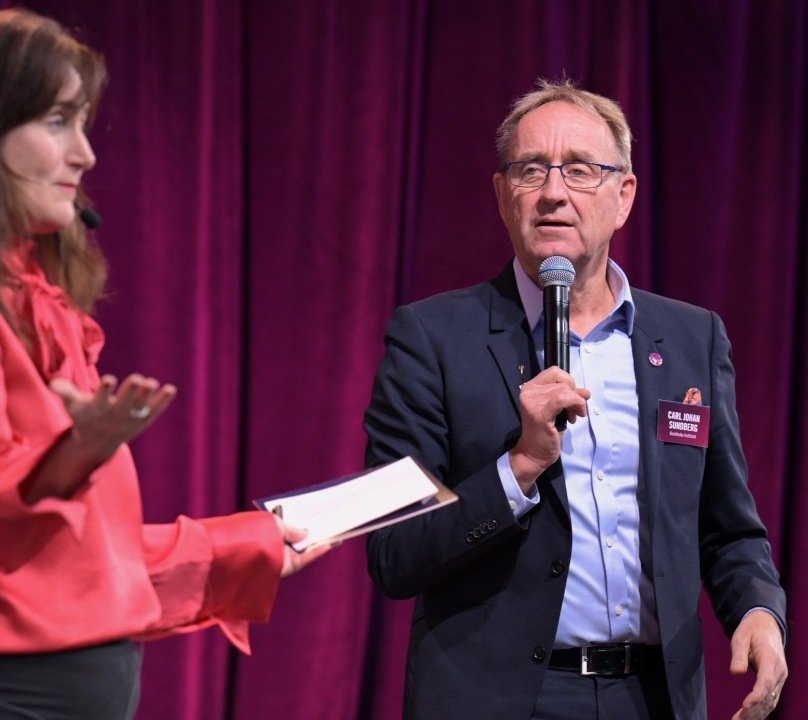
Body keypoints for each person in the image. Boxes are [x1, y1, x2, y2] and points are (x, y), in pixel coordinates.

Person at [364, 78, 787, 720]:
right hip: (496, 703)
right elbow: (393, 554)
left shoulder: (691, 338)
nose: (554, 193)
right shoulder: (432, 339)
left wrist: (757, 609)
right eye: (531, 170)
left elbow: (727, 529)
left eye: (581, 171)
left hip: (652, 698)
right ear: (503, 195)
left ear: (624, 197)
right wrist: (521, 465)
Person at [0, 8, 328, 718]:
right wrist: (67, 458)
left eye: (83, 123)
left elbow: (85, 564)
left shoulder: (43, 308)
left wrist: (253, 546)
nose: (85, 155)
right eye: (58, 121)